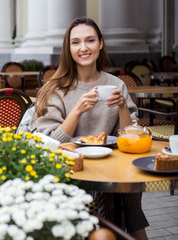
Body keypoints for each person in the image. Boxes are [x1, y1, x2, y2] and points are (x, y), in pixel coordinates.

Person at [29, 17, 148, 239]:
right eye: (76, 42)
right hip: (70, 170)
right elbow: (50, 143)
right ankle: (112, 231)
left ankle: (127, 229)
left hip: (110, 166)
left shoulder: (116, 84)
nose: (83, 48)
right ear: (69, 48)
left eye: (90, 40)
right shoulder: (54, 88)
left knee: (129, 182)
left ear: (100, 44)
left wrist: (122, 107)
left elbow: (129, 138)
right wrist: (77, 111)